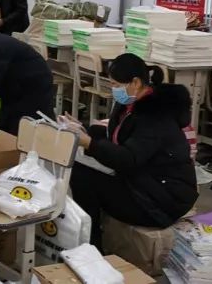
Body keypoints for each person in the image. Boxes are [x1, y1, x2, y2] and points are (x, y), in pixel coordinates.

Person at [61, 53, 198, 251]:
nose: (113, 89)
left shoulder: (155, 116)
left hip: (161, 200)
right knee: (83, 162)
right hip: (142, 180)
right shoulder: (130, 104)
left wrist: (89, 143)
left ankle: (91, 247)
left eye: (116, 84)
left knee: (83, 178)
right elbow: (116, 137)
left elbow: (128, 158)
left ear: (135, 82)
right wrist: (83, 131)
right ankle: (87, 239)